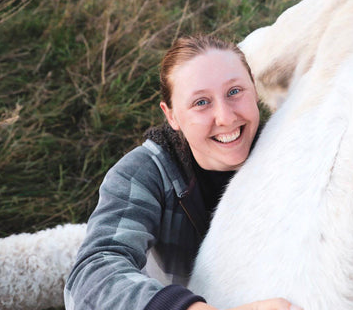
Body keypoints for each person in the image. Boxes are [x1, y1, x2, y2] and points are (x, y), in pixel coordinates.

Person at [64, 35, 301, 310]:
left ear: (255, 90)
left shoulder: (294, 152)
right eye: (201, 102)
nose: (226, 117)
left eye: (235, 91)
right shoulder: (144, 173)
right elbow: (92, 276)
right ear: (172, 116)